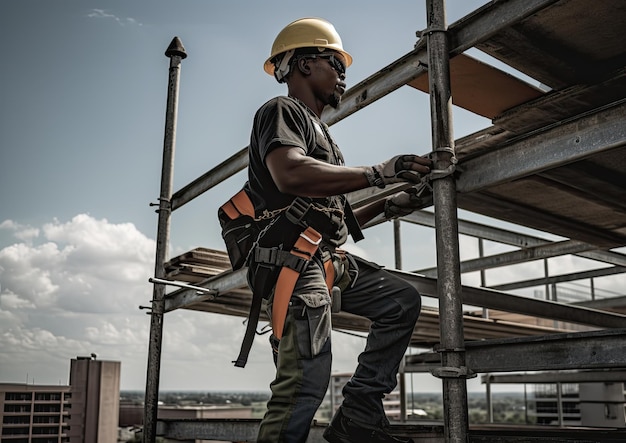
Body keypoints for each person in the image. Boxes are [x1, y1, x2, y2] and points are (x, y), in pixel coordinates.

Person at [244, 17, 431, 443]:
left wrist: (389, 202)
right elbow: (289, 173)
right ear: (304, 65)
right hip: (294, 262)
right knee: (305, 382)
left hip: (323, 256)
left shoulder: (323, 135)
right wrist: (379, 173)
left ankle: (359, 414)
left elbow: (334, 222)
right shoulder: (281, 111)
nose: (344, 73)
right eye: (335, 62)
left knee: (401, 301)